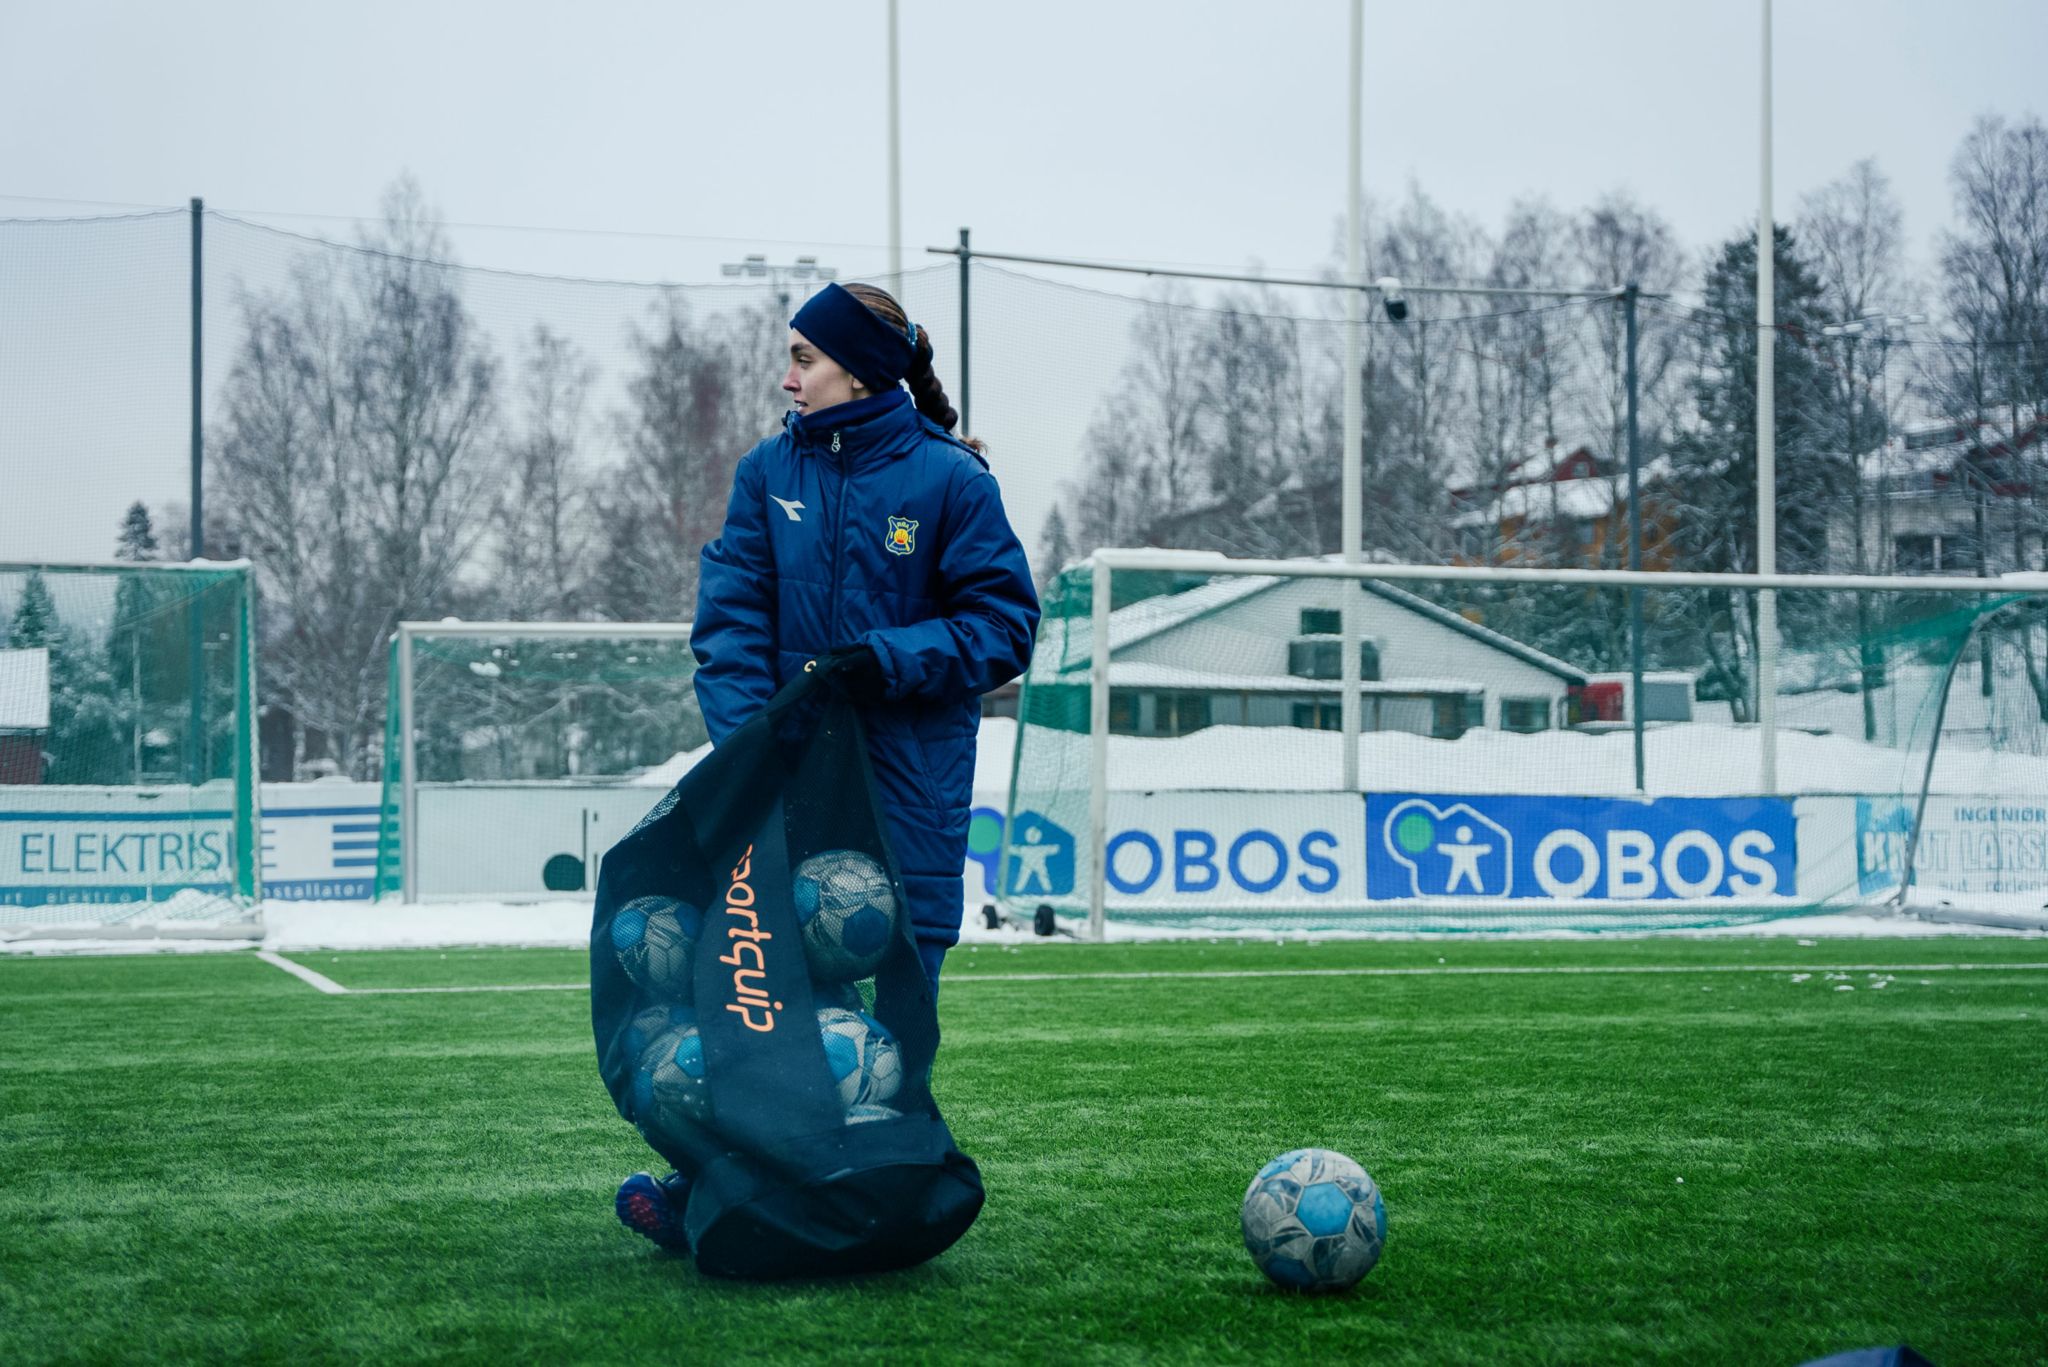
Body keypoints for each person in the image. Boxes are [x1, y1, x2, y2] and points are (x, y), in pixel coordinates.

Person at [616, 281, 1040, 1249]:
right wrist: (755, 746)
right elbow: (726, 631)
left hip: (906, 807)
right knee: (759, 1021)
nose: (787, 374)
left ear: (861, 366)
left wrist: (884, 657)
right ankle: (727, 1193)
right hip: (783, 800)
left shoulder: (950, 482)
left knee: (890, 1044)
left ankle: (882, 1209)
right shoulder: (765, 472)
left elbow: (1005, 624)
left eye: (804, 356)